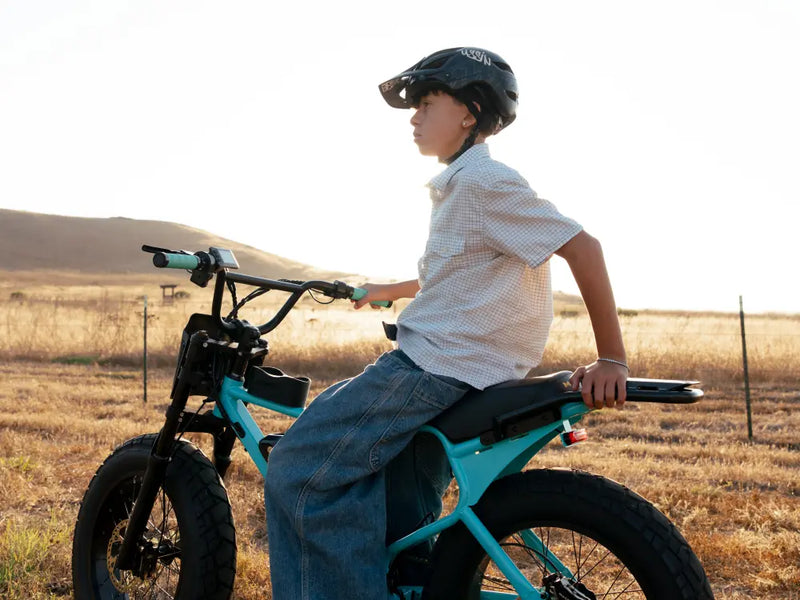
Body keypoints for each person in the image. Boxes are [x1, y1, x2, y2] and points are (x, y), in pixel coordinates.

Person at [264, 47, 628, 600]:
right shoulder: (461, 187)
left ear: (468, 113)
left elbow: (584, 248)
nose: (414, 117)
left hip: (433, 368)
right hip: (459, 368)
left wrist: (612, 358)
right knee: (398, 487)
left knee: (300, 468)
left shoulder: (484, 182)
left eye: (427, 104)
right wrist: (389, 290)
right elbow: (457, 273)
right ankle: (407, 580)